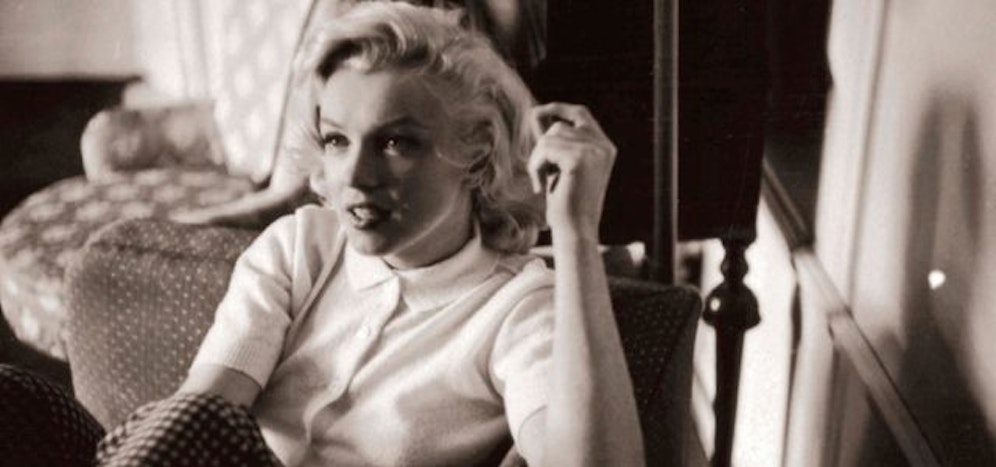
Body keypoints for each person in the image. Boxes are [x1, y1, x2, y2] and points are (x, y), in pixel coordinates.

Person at [1, 3, 644, 466]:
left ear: (476, 152)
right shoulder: (297, 247)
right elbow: (203, 411)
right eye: (336, 140)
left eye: (395, 143)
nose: (354, 178)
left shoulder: (517, 306)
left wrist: (576, 234)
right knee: (15, 398)